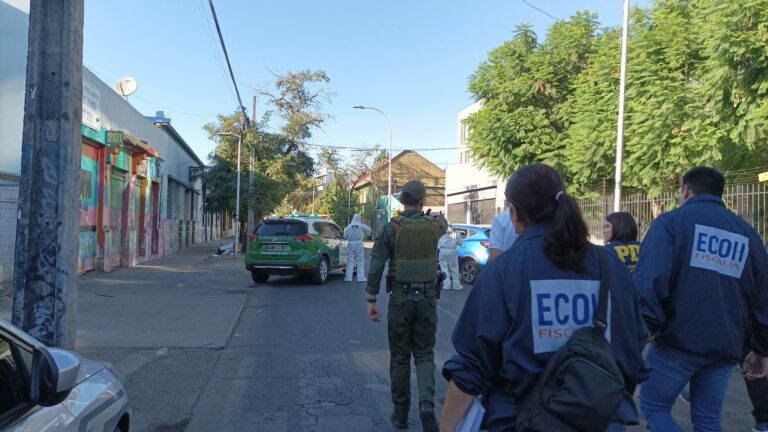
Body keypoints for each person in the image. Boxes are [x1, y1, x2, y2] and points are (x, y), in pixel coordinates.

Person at [440, 164, 648, 432]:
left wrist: (447, 427)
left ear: (514, 212)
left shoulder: (505, 270)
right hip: (601, 416)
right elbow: (633, 341)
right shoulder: (609, 265)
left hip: (525, 418)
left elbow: (474, 364)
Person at [634, 167, 768, 431]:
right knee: (707, 420)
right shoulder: (747, 233)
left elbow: (651, 281)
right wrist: (762, 349)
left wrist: (645, 327)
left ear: (686, 190)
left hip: (679, 342)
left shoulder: (671, 223)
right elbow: (763, 295)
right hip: (726, 346)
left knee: (653, 407)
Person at [365, 180, 447, 432]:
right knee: (424, 354)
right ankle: (426, 405)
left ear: (402, 201)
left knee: (400, 358)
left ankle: (400, 415)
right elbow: (442, 222)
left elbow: (377, 263)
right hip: (427, 299)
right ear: (422, 201)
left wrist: (371, 299)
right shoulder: (436, 226)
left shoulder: (391, 228)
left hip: (400, 299)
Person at [343, 213, 372, 282]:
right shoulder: (361, 226)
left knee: (350, 261)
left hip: (350, 243)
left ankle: (348, 277)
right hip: (359, 243)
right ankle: (361, 277)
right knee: (360, 261)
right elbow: (369, 230)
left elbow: (345, 236)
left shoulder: (349, 226)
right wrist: (365, 234)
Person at [438, 227, 463, 291]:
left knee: (444, 268)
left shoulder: (440, 234)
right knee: (454, 268)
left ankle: (446, 285)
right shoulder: (455, 234)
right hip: (452, 251)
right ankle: (456, 285)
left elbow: (437, 243)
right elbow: (460, 243)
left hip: (442, 251)